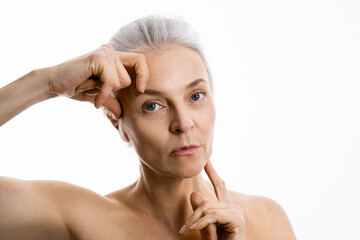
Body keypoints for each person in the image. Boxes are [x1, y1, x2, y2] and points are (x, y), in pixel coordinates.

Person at [0, 16, 296, 240]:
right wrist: (46, 83)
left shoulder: (264, 222)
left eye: (195, 96)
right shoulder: (81, 220)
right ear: (118, 123)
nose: (183, 123)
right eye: (153, 105)